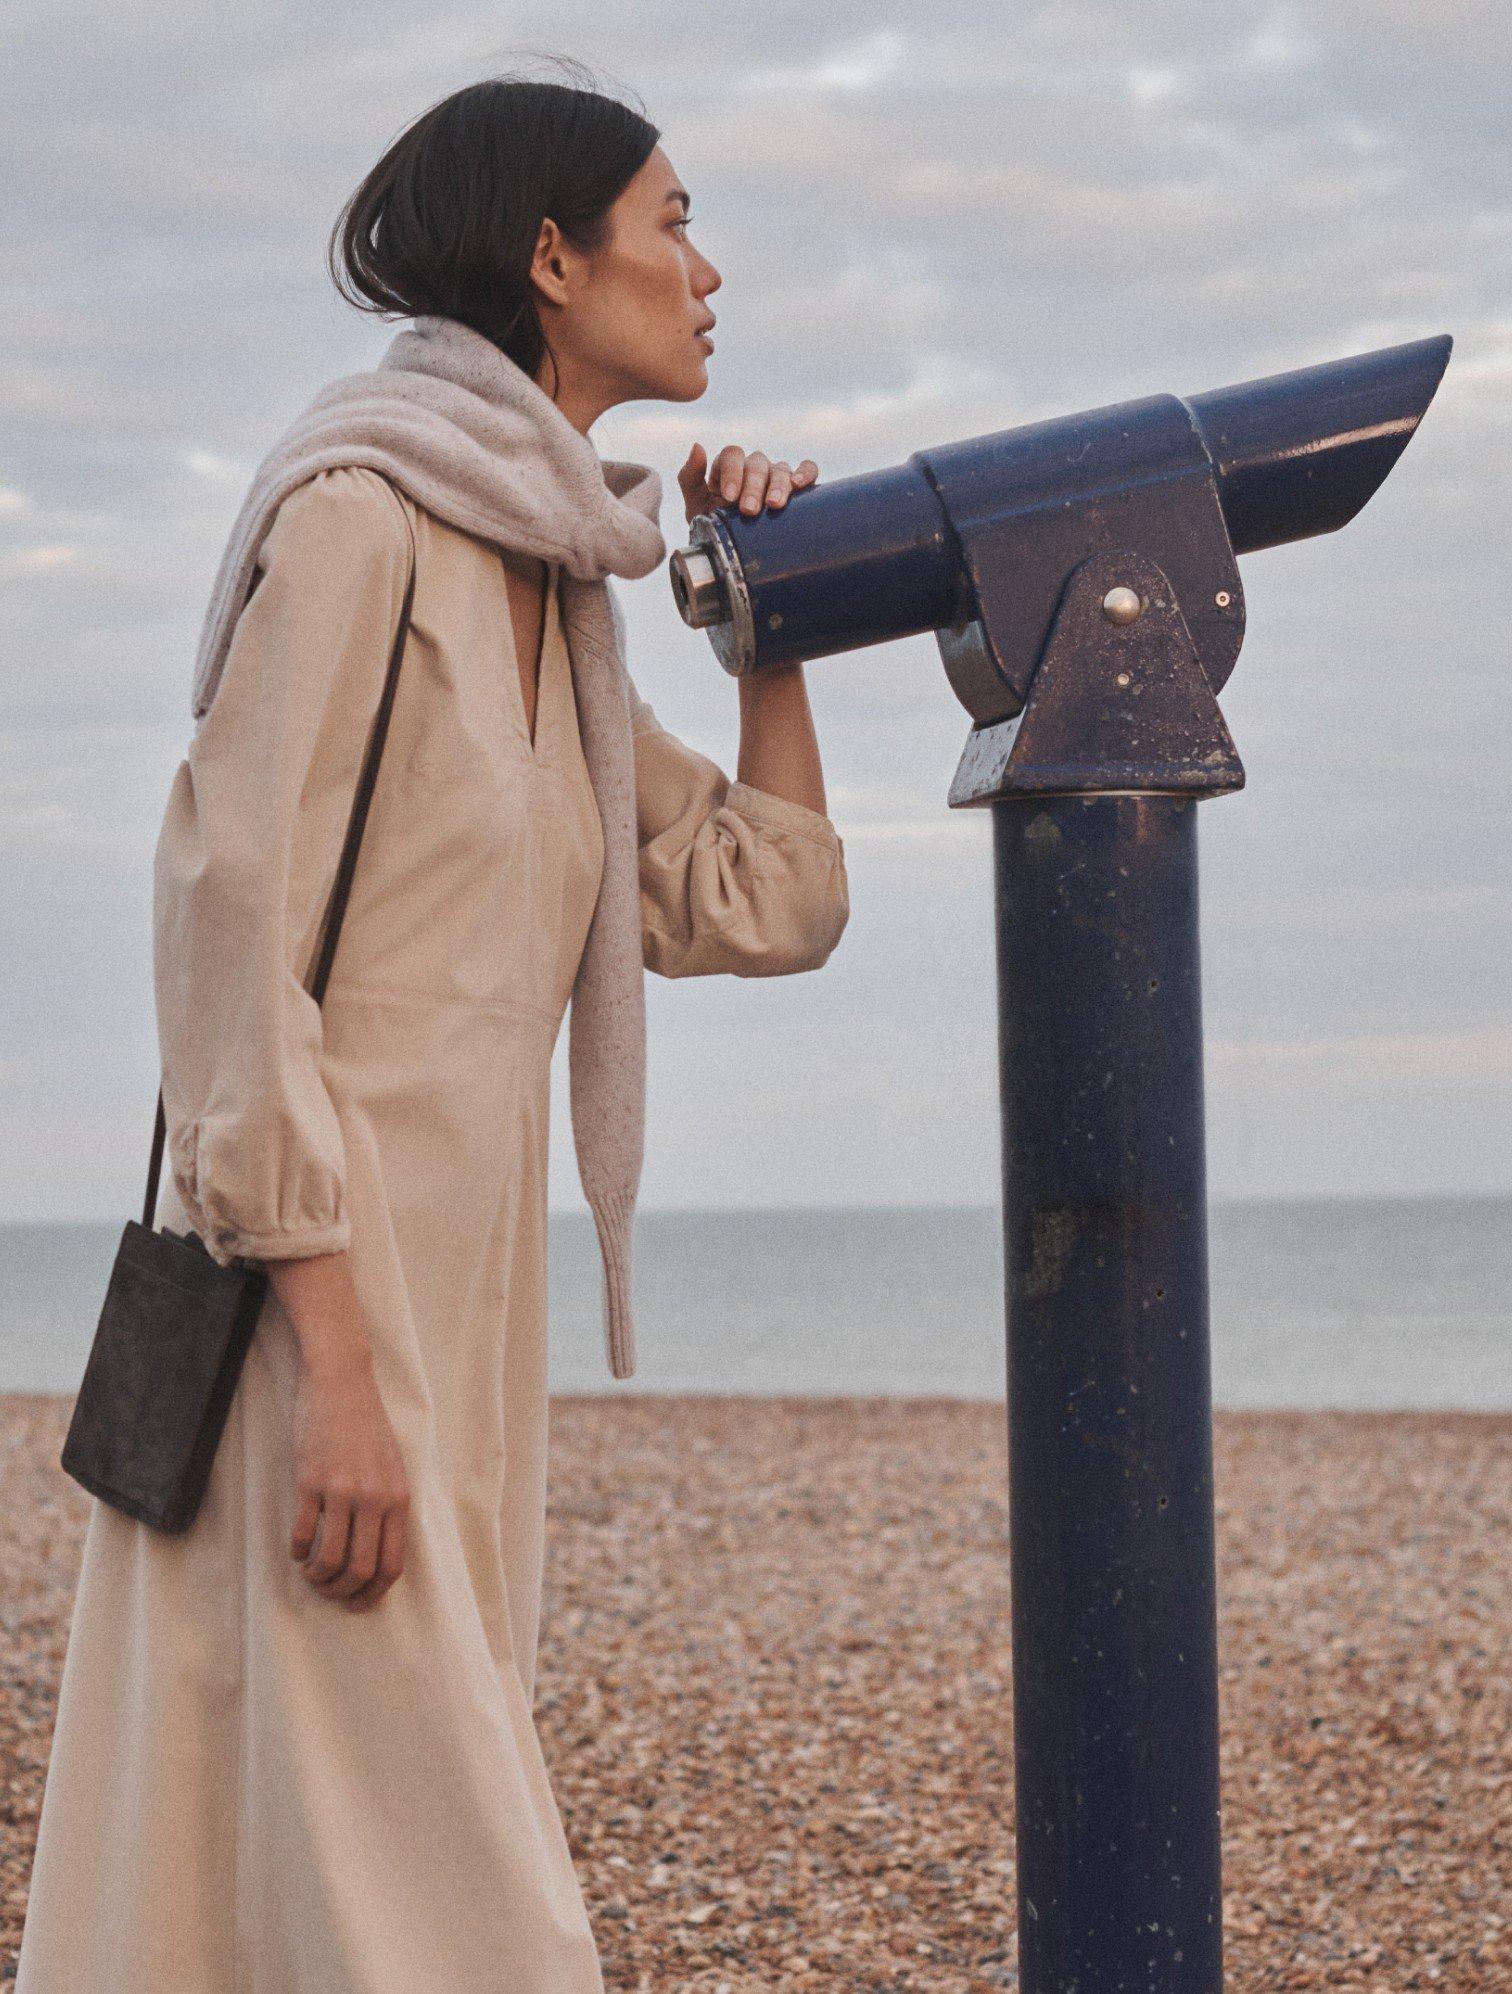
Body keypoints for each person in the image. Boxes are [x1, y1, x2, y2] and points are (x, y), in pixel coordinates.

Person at [15, 67, 849, 1993]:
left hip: (457, 1328)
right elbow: (225, 940)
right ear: (553, 260)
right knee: (459, 1911)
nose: (707, 270)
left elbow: (767, 895)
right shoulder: (360, 519)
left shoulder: (552, 596)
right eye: (671, 222)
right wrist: (339, 1369)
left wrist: (777, 620)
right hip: (322, 1327)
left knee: (303, 1892)